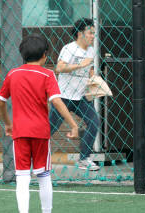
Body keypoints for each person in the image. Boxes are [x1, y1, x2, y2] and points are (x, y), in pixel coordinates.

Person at [0, 34, 78, 213]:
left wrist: (8, 124)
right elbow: (56, 101)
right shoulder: (48, 74)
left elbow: (0, 102)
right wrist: (73, 124)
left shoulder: (13, 74)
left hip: (20, 132)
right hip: (41, 132)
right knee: (43, 175)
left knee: (22, 176)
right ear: (45, 54)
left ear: (22, 55)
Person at [49, 18, 100, 171]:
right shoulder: (68, 48)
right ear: (80, 34)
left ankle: (84, 159)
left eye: (93, 33)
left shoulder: (91, 51)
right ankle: (32, 157)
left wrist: (96, 81)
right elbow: (59, 68)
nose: (92, 36)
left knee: (94, 122)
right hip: (64, 97)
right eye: (90, 33)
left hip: (81, 97)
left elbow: (90, 70)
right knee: (50, 128)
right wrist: (80, 64)